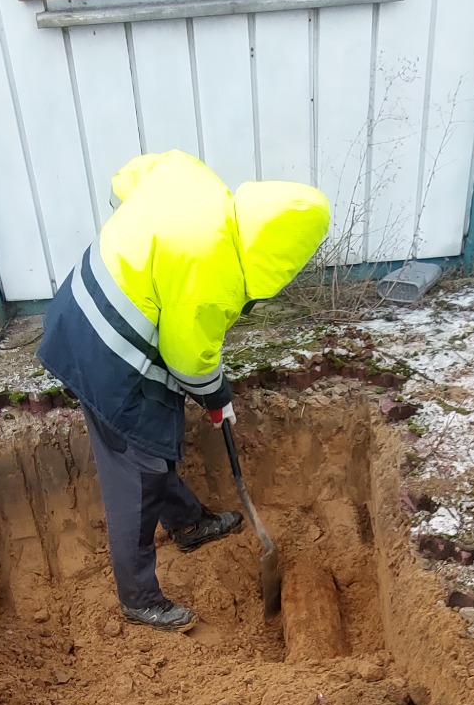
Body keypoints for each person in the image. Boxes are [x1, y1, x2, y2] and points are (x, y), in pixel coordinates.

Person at [38, 150, 330, 630]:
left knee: (153, 446)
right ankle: (138, 598)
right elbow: (188, 360)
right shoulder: (214, 269)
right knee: (136, 472)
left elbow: (126, 180)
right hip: (105, 352)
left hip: (80, 308)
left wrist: (144, 257)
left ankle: (188, 523)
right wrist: (216, 396)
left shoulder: (196, 181)